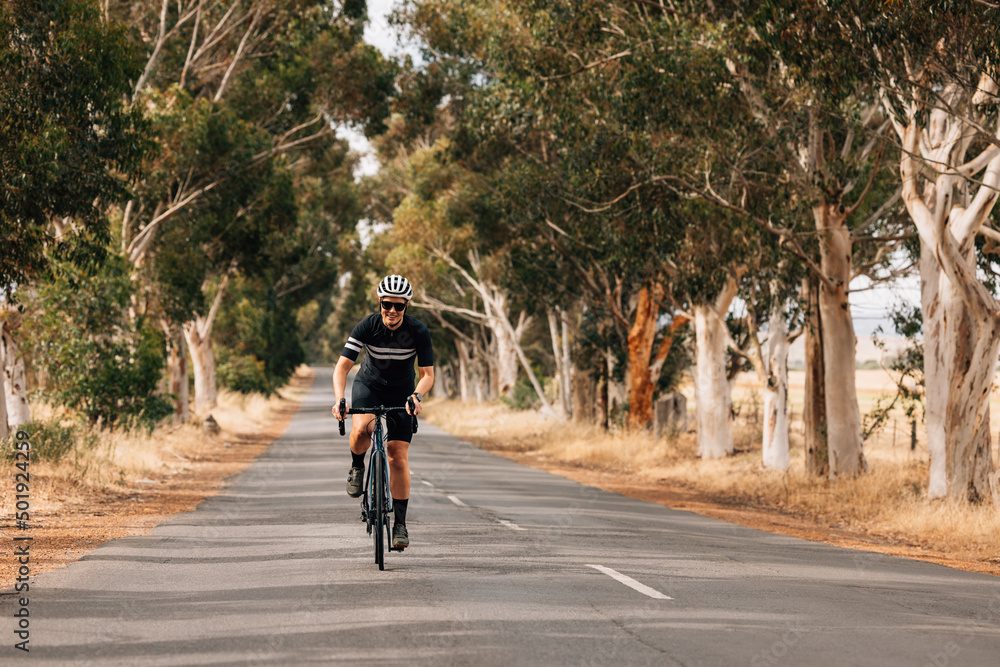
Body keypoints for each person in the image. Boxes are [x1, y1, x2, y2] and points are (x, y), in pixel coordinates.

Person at [331, 275, 434, 549]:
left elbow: (427, 375)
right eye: (387, 304)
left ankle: (399, 525)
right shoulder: (368, 326)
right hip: (369, 385)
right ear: (380, 302)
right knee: (362, 429)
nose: (392, 310)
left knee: (397, 456)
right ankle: (357, 466)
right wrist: (340, 399)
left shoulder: (417, 331)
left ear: (406, 307)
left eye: (398, 306)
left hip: (403, 392)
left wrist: (417, 395)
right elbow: (342, 367)